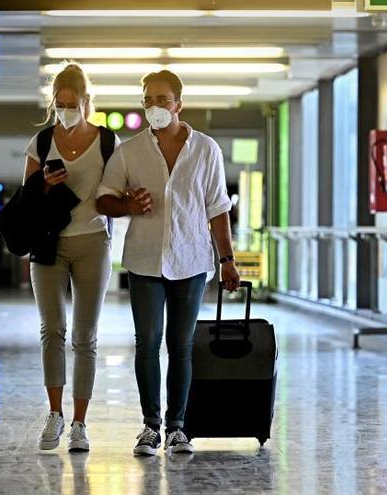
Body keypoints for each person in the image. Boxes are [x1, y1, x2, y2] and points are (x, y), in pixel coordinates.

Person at [96, 70, 241, 456]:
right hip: (144, 261)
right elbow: (103, 199)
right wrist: (127, 205)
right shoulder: (129, 151)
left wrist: (226, 259)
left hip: (191, 260)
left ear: (179, 104)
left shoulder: (206, 149)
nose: (155, 107)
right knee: (147, 344)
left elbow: (218, 208)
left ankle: (178, 428)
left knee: (181, 344)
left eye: (162, 99)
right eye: (148, 100)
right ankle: (149, 426)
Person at [26, 63, 120, 453]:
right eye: (59, 104)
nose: (65, 110)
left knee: (85, 335)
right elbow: (26, 200)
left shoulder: (107, 141)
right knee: (52, 329)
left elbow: (115, 193)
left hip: (92, 242)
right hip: (49, 243)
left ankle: (81, 422)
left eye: (72, 104)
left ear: (86, 102)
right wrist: (44, 186)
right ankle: (55, 414)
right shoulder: (42, 142)